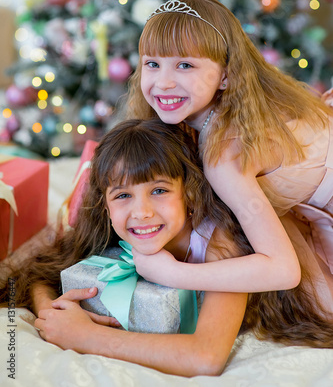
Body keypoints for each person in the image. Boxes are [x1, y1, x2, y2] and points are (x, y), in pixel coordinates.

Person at [1, 119, 333, 377]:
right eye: (123, 195)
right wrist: (54, 312)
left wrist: (86, 338)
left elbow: (206, 357)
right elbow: (40, 272)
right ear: (105, 205)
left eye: (159, 190)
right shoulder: (111, 225)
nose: (141, 212)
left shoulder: (220, 244)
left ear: (188, 193)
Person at [126, 0, 333, 308]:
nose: (163, 82)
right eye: (152, 64)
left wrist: (173, 273)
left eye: (184, 65)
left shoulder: (225, 156)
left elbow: (282, 270)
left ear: (225, 75)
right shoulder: (232, 107)